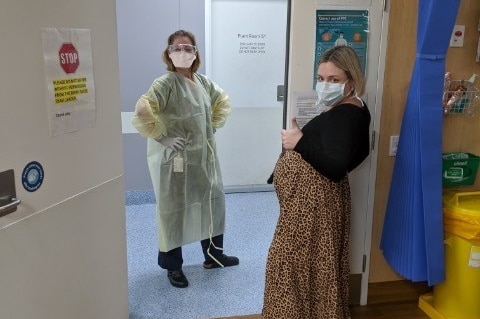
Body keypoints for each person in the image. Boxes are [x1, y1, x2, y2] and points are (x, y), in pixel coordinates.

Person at [262, 45, 371, 319]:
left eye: (334, 80)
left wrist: (299, 143)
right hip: (313, 204)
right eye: (321, 78)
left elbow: (335, 168)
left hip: (311, 208)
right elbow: (358, 152)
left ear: (352, 82)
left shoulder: (345, 115)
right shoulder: (354, 107)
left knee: (287, 265)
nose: (324, 85)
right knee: (315, 267)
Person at [131, 30, 239, 289]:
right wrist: (162, 137)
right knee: (173, 211)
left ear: (196, 53)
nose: (183, 52)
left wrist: (211, 126)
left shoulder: (202, 82)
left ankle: (214, 256)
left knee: (212, 203)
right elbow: (143, 110)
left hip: (204, 158)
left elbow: (222, 101)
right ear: (168, 53)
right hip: (175, 161)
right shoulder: (165, 84)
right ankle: (173, 266)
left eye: (188, 47)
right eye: (177, 48)